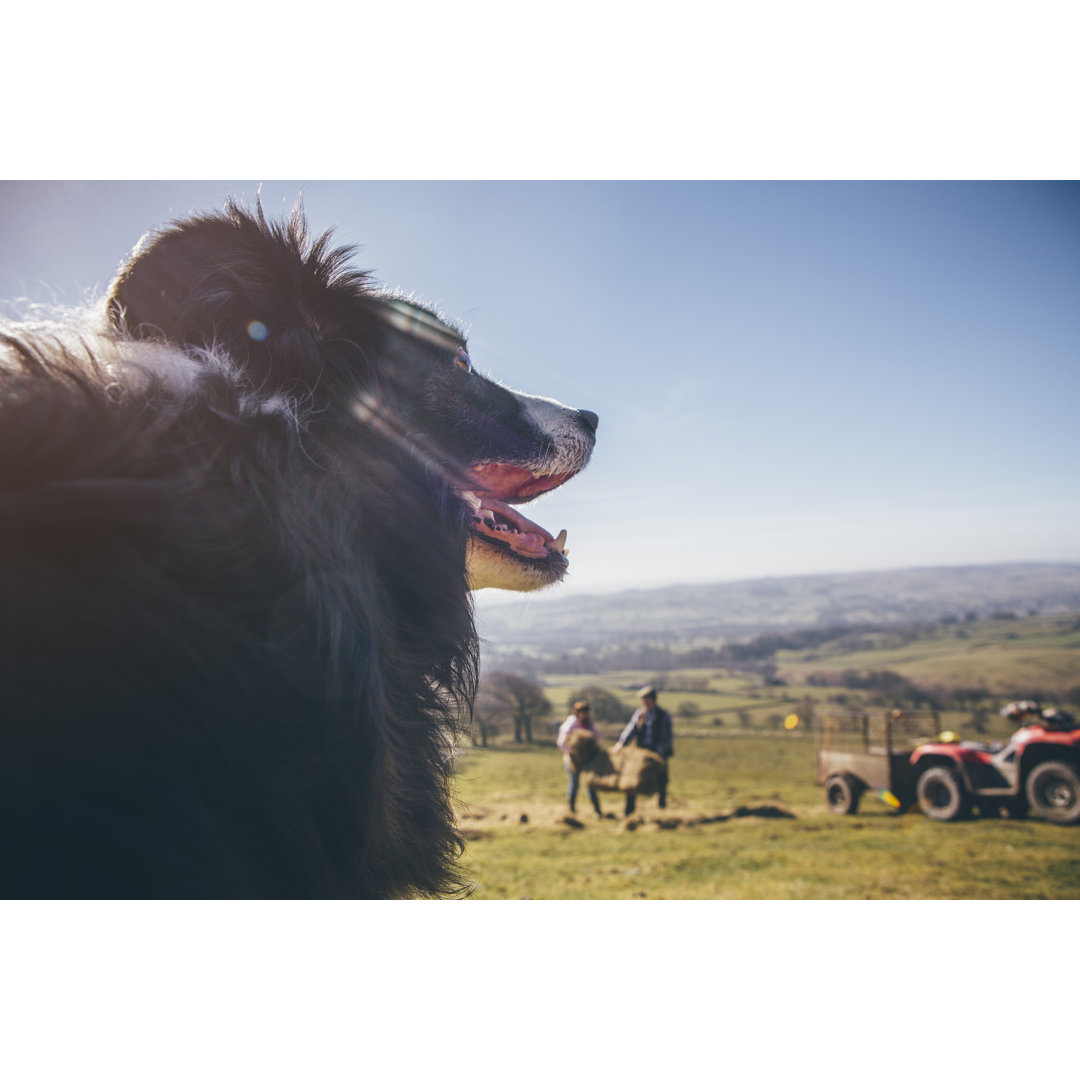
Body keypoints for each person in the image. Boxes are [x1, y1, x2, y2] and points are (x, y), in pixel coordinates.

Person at [613, 686, 674, 815]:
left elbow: (667, 737)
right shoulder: (640, 713)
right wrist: (621, 743)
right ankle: (629, 811)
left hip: (658, 753)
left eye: (645, 699)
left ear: (652, 699)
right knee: (633, 780)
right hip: (640, 753)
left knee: (661, 780)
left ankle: (661, 809)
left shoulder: (663, 715)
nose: (643, 702)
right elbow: (631, 729)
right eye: (642, 699)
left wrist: (658, 752)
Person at [556, 701, 603, 816]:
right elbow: (561, 742)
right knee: (574, 783)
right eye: (582, 712)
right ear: (577, 713)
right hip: (573, 760)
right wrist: (570, 751)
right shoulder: (570, 724)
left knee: (591, 784)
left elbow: (598, 735)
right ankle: (571, 809)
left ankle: (597, 810)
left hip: (587, 760)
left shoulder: (589, 724)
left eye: (586, 712)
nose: (584, 715)